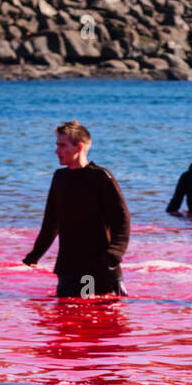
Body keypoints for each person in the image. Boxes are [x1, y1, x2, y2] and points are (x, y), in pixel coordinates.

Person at [23, 119, 130, 298]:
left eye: (62, 146)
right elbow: (51, 222)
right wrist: (35, 255)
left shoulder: (100, 177)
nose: (57, 151)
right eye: (57, 146)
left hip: (97, 269)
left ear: (79, 147)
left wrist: (115, 253)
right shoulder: (59, 178)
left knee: (94, 318)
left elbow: (122, 219)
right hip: (68, 269)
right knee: (66, 321)